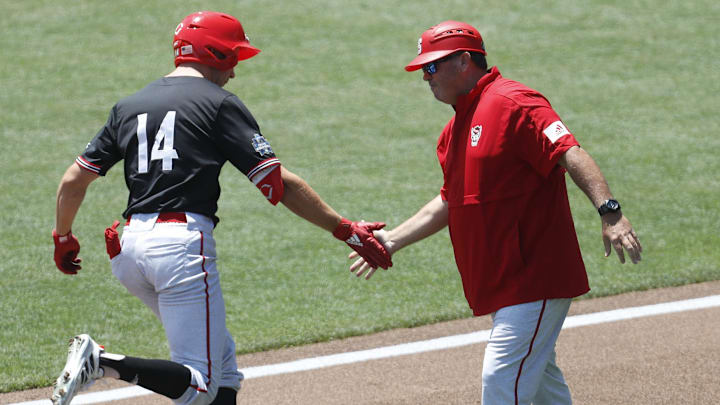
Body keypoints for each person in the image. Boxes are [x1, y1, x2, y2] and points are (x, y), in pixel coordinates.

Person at [50, 11, 391, 405]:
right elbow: (278, 184)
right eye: (233, 59)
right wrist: (344, 228)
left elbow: (73, 181)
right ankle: (104, 363)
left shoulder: (129, 106)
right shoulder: (218, 103)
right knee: (200, 384)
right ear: (216, 54)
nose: (234, 73)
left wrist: (63, 236)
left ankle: (107, 363)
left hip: (129, 251)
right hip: (178, 250)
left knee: (224, 372)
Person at [349, 20, 642, 404]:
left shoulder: (513, 102)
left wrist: (610, 212)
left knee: (502, 379)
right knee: (540, 388)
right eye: (423, 68)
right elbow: (452, 200)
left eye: (433, 66)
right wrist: (392, 240)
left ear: (465, 61)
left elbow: (568, 152)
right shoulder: (452, 132)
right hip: (502, 284)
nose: (425, 76)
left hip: (533, 279)